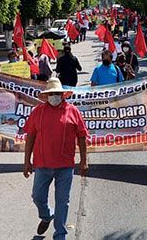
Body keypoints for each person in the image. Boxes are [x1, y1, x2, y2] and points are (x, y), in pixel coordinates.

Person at [24, 78, 88, 239]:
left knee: (62, 201)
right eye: (51, 94)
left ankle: (60, 234)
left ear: (62, 95)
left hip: (65, 166)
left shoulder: (72, 111)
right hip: (42, 165)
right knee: (37, 196)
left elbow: (81, 136)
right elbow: (30, 136)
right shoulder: (38, 111)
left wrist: (84, 160)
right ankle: (46, 215)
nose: (54, 96)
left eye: (57, 94)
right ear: (47, 96)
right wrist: (27, 162)